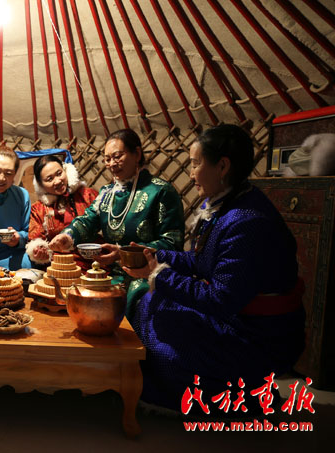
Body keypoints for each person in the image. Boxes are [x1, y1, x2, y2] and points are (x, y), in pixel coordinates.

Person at [125, 124, 305, 413]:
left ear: (222, 166)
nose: (190, 174)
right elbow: (202, 261)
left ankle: (232, 398)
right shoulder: (231, 204)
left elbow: (221, 299)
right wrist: (154, 255)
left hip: (256, 336)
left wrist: (158, 274)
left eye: (195, 164)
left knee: (161, 340)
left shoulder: (246, 221)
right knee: (151, 303)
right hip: (236, 318)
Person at [49, 129, 184, 321]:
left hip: (149, 277)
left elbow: (172, 243)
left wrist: (124, 254)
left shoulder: (160, 191)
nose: (111, 164)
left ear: (137, 154)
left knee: (136, 302)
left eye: (117, 156)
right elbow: (87, 220)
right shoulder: (107, 193)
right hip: (112, 277)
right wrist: (68, 236)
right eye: (107, 159)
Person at [26, 155, 98, 267]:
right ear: (40, 184)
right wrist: (40, 251)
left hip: (94, 262)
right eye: (49, 179)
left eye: (59, 173)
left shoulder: (88, 195)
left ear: (66, 171)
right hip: (60, 266)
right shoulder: (38, 209)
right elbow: (35, 238)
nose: (57, 181)